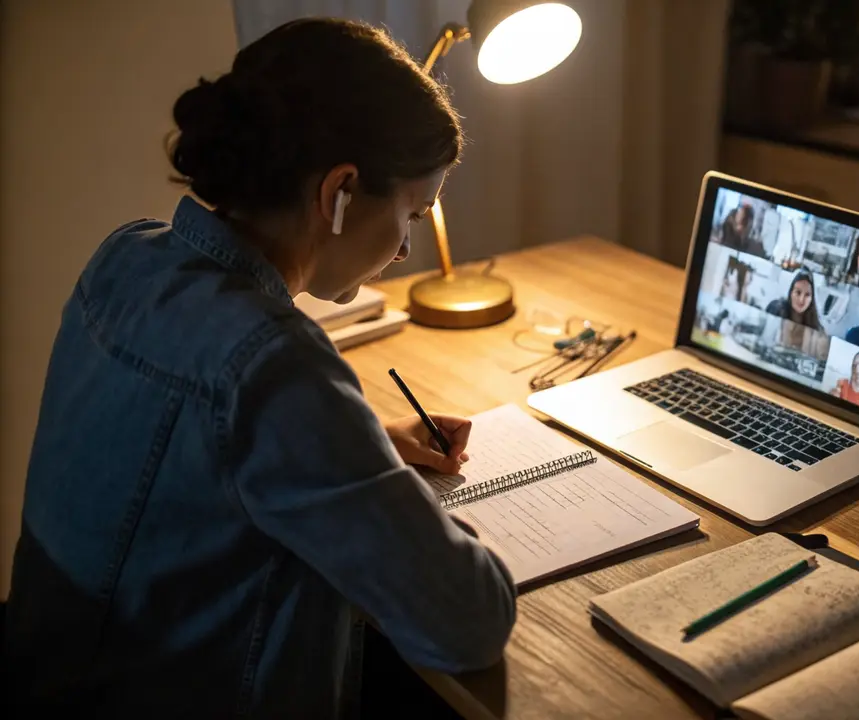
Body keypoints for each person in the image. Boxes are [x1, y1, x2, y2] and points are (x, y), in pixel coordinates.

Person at [3, 19, 516, 718]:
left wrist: (354, 447)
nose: (402, 253)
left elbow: (191, 463)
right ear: (340, 190)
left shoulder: (125, 257)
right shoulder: (274, 364)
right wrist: (395, 493)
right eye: (414, 214)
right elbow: (468, 621)